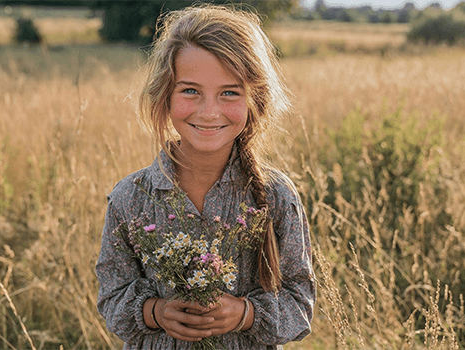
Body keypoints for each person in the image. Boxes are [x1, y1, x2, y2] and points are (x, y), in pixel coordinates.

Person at [95, 4, 315, 349]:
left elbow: (299, 307)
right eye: (190, 91)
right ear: (165, 96)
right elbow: (111, 299)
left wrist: (245, 314)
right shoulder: (131, 197)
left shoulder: (275, 196)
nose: (209, 112)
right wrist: (156, 312)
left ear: (254, 99)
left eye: (229, 92)